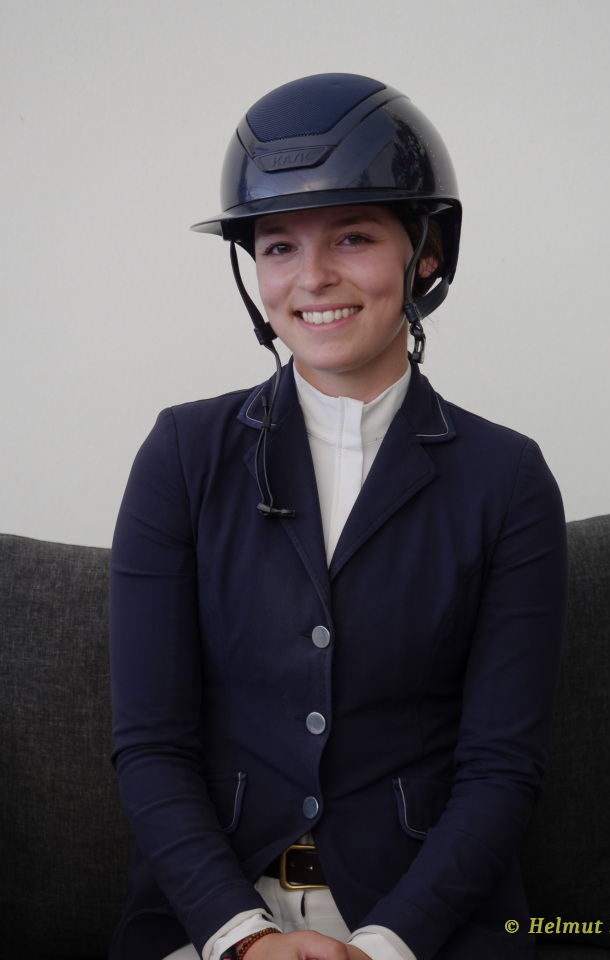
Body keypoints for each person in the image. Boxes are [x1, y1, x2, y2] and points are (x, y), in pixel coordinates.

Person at [109, 73, 568, 960]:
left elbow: (501, 766)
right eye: (279, 246)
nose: (312, 278)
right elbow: (151, 745)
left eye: (353, 237)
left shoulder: (508, 479)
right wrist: (242, 937)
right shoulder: (180, 456)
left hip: (422, 919)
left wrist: (388, 942)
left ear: (425, 252)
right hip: (213, 913)